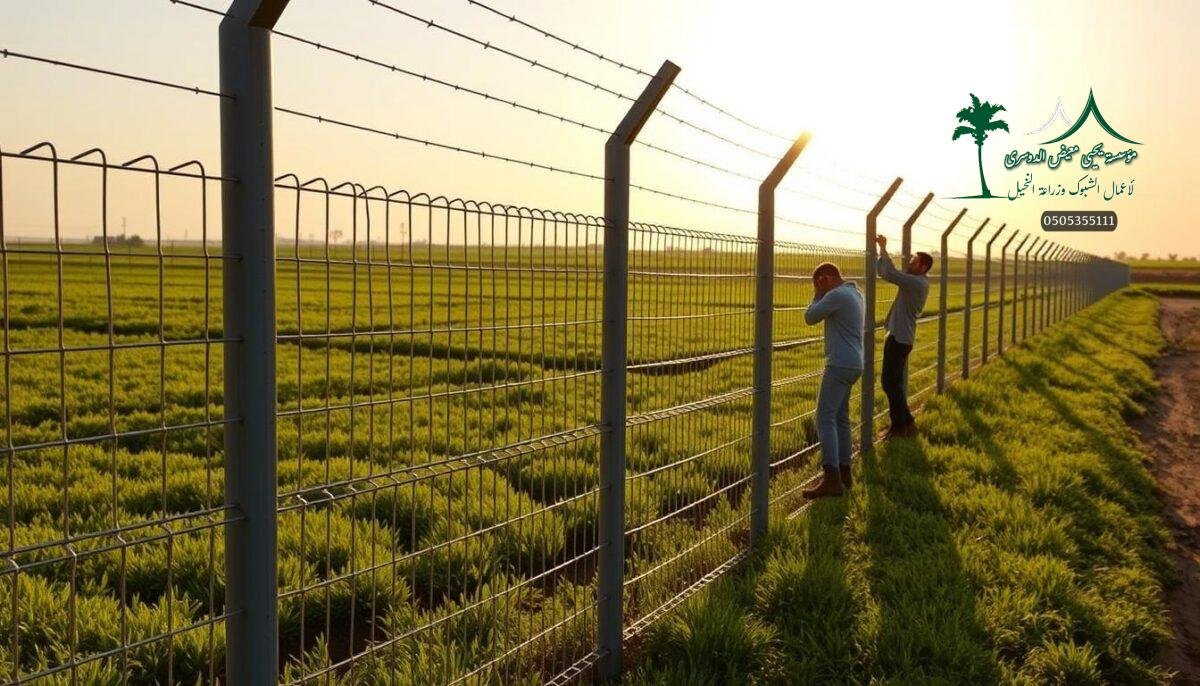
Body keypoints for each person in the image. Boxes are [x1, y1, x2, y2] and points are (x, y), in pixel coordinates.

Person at [801, 262, 864, 499]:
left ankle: (831, 479)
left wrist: (818, 293)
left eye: (818, 283)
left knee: (824, 417)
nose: (818, 288)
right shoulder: (856, 293)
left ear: (825, 279)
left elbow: (810, 317)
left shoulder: (836, 294)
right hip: (855, 363)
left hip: (838, 363)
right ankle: (845, 473)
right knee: (841, 418)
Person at [874, 235, 933, 438]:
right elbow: (886, 273)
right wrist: (877, 256)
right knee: (893, 383)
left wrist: (882, 247)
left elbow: (890, 273)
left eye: (914, 261)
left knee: (890, 383)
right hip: (900, 336)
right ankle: (907, 422)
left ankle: (898, 427)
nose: (909, 262)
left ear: (923, 267)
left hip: (900, 338)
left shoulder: (916, 283)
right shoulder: (918, 281)